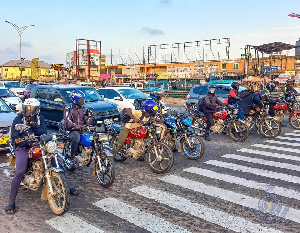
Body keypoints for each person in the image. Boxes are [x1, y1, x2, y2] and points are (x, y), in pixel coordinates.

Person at [5, 98, 47, 214]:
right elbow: (14, 136)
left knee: (54, 158)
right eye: (28, 108)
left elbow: (44, 132)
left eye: (32, 108)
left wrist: (34, 126)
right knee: (19, 172)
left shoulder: (40, 119)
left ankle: (64, 186)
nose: (30, 110)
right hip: (23, 147)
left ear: (37, 109)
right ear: (24, 108)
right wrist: (25, 141)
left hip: (37, 145)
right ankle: (11, 201)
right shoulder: (18, 118)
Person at [64, 90, 94, 162]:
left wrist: (88, 124)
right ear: (75, 100)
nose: (83, 101)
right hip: (71, 129)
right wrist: (75, 126)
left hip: (82, 128)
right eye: (81, 100)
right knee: (77, 137)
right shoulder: (68, 108)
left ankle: (89, 154)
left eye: (83, 99)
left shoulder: (84, 109)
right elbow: (67, 120)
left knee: (93, 137)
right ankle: (72, 156)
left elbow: (91, 116)